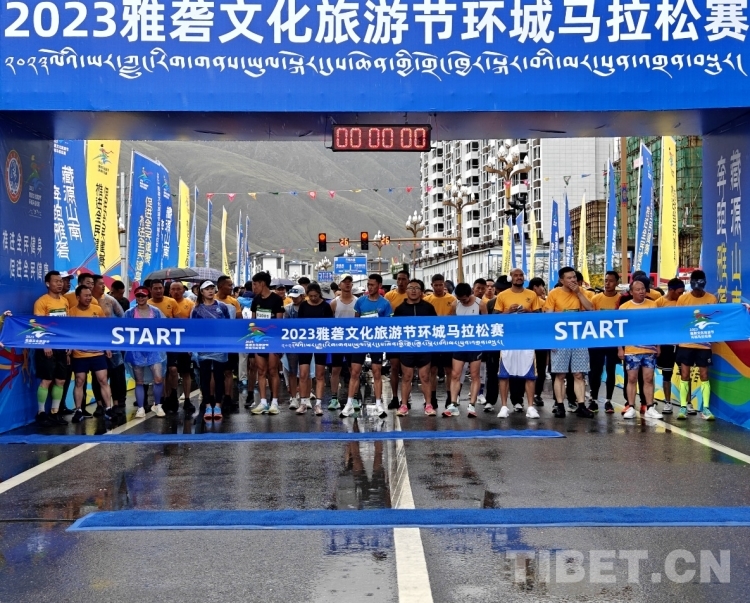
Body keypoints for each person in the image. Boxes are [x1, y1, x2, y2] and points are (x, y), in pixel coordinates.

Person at [543, 266, 594, 419]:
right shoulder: (554, 294)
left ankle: (581, 405)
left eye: (574, 277)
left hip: (579, 338)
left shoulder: (581, 291)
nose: (572, 280)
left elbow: (591, 309)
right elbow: (548, 318)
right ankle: (559, 405)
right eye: (569, 278)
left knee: (579, 374)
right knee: (560, 374)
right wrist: (550, 340)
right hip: (560, 339)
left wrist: (578, 293)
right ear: (561, 280)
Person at [343, 274, 392, 419]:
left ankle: (378, 404)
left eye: (372, 285)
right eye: (368, 284)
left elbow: (388, 324)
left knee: (377, 372)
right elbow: (356, 321)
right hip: (361, 341)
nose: (369, 287)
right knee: (354, 372)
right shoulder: (360, 301)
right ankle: (349, 403)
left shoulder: (385, 303)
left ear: (379, 286)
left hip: (376, 341)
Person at [494, 268, 541, 419]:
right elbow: (494, 317)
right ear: (511, 278)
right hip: (508, 339)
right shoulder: (502, 295)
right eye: (516, 275)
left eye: (521, 275)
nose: (519, 277)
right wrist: (508, 311)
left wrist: (527, 311)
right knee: (504, 374)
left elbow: (539, 316)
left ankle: (531, 407)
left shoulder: (532, 294)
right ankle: (503, 406)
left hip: (526, 338)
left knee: (530, 374)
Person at [68, 285, 115, 422]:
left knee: (103, 380)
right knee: (79, 381)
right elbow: (69, 332)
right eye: (86, 295)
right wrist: (69, 349)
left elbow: (104, 329)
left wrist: (107, 347)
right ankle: (78, 410)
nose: (89, 298)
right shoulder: (72, 312)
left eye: (90, 295)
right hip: (79, 354)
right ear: (78, 297)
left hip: (97, 353)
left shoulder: (97, 309)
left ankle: (108, 408)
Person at [675, 270, 718, 421]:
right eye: (695, 286)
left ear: (704, 282)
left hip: (704, 345)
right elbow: (678, 320)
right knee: (685, 375)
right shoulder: (683, 299)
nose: (698, 290)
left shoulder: (712, 299)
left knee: (704, 375)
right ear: (691, 283)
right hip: (686, 344)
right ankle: (683, 407)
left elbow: (717, 319)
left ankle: (705, 408)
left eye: (700, 285)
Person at [618, 279, 662, 420]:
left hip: (649, 349)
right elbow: (620, 330)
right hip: (631, 349)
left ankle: (650, 407)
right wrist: (620, 349)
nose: (641, 291)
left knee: (648, 378)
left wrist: (658, 345)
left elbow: (657, 327)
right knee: (632, 378)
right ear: (631, 292)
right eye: (638, 289)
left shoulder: (652, 305)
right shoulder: (624, 308)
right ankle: (631, 406)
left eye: (643, 288)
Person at [392, 279, 437, 416]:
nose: (413, 290)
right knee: (406, 377)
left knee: (425, 377)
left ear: (421, 291)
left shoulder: (428, 307)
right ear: (406, 290)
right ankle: (404, 405)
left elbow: (435, 326)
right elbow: (395, 329)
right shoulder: (400, 309)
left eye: (416, 288)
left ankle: (428, 405)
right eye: (410, 287)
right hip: (406, 347)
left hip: (424, 347)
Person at [32, 271, 70, 426]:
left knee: (60, 380)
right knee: (47, 380)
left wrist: (68, 344)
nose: (60, 284)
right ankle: (41, 413)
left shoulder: (65, 301)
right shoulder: (41, 302)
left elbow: (67, 325)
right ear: (48, 284)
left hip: (62, 346)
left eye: (61, 281)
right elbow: (37, 324)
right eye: (56, 281)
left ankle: (55, 412)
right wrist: (45, 344)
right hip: (47, 346)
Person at [444, 282, 487, 418]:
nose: (462, 301)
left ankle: (472, 405)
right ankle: (453, 404)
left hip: (475, 345)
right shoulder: (455, 304)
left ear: (470, 294)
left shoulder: (480, 304)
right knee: (455, 374)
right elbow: (450, 322)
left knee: (475, 375)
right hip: (459, 344)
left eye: (465, 299)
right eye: (460, 299)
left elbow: (487, 324)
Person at [124, 286, 167, 418]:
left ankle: (158, 405)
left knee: (158, 379)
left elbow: (164, 326)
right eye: (138, 296)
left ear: (148, 297)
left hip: (154, 350)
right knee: (139, 381)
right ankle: (141, 408)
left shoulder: (156, 312)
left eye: (143, 296)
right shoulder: (129, 313)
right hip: (136, 350)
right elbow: (123, 329)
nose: (141, 298)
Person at [191, 281, 231, 420]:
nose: (210, 291)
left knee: (219, 376)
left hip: (219, 347)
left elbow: (228, 325)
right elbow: (193, 329)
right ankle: (208, 405)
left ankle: (218, 405)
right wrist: (193, 348)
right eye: (207, 289)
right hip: (204, 347)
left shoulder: (222, 307)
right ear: (201, 292)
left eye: (212, 288)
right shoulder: (196, 309)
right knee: (205, 377)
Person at [250, 271, 285, 415]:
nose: (253, 287)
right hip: (259, 339)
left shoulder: (276, 299)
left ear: (262, 283)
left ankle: (274, 402)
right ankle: (263, 402)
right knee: (261, 370)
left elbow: (279, 322)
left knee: (273, 370)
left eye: (255, 284)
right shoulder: (255, 300)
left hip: (273, 340)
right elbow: (253, 321)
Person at [295, 283, 333, 416]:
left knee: (320, 374)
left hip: (321, 342)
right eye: (310, 296)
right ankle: (303, 402)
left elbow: (330, 325)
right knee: (303, 374)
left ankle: (318, 404)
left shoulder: (325, 306)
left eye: (315, 296)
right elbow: (299, 324)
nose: (313, 298)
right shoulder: (303, 306)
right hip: (305, 342)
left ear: (319, 294)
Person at [588, 271, 621, 414]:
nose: (607, 284)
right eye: (606, 280)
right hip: (597, 341)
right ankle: (594, 399)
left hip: (613, 341)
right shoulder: (596, 299)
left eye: (611, 281)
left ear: (617, 283)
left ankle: (608, 401)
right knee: (595, 371)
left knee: (610, 371)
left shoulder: (621, 299)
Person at [423, 274, 456, 409]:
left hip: (448, 339)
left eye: (440, 285)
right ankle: (432, 398)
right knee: (432, 370)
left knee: (449, 370)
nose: (438, 287)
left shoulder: (452, 299)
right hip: (432, 339)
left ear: (444, 285)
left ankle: (450, 397)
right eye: (435, 285)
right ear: (432, 285)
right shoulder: (427, 300)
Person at [655, 278, 686, 414]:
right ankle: (668, 403)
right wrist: (658, 345)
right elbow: (655, 325)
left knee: (685, 374)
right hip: (666, 345)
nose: (681, 295)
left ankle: (687, 403)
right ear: (671, 290)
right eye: (679, 292)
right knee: (666, 375)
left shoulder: (684, 301)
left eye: (683, 292)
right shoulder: (659, 303)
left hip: (682, 344)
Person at [328, 274, 357, 411]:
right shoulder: (334, 303)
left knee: (354, 370)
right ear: (339, 285)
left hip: (353, 341)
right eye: (344, 282)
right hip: (338, 340)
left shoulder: (358, 302)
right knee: (335, 370)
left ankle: (355, 398)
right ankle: (334, 398)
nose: (347, 284)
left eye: (349, 282)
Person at [168, 281, 196, 415]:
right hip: (169, 342)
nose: (176, 291)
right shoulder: (166, 303)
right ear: (169, 291)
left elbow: (193, 325)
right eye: (173, 289)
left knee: (186, 372)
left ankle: (187, 399)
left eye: (178, 289)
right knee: (171, 370)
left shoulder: (190, 304)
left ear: (183, 290)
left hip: (185, 342)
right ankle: (171, 397)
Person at [217, 275, 242, 412]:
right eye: (229, 285)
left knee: (228, 371)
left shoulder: (234, 302)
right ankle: (215, 398)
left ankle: (228, 398)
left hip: (230, 342)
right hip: (215, 343)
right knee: (215, 372)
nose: (231, 288)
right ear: (220, 286)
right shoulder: (211, 300)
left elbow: (239, 321)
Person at [385, 270, 409, 409]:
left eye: (403, 279)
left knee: (407, 370)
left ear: (408, 280)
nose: (400, 282)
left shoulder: (413, 294)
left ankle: (406, 398)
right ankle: (394, 397)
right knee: (394, 367)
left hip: (408, 336)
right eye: (398, 279)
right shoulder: (389, 296)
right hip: (394, 336)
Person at [284, 285, 307, 410]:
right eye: (292, 297)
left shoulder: (308, 307)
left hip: (307, 344)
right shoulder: (288, 309)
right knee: (292, 371)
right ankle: (293, 398)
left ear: (303, 296)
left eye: (296, 297)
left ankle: (305, 397)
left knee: (306, 373)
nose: (294, 299)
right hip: (292, 344)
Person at [528, 276, 548, 407]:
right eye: (542, 286)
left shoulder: (543, 301)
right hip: (533, 339)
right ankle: (534, 395)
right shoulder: (537, 301)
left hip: (539, 340)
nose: (543, 289)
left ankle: (535, 394)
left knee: (540, 368)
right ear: (535, 287)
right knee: (536, 368)